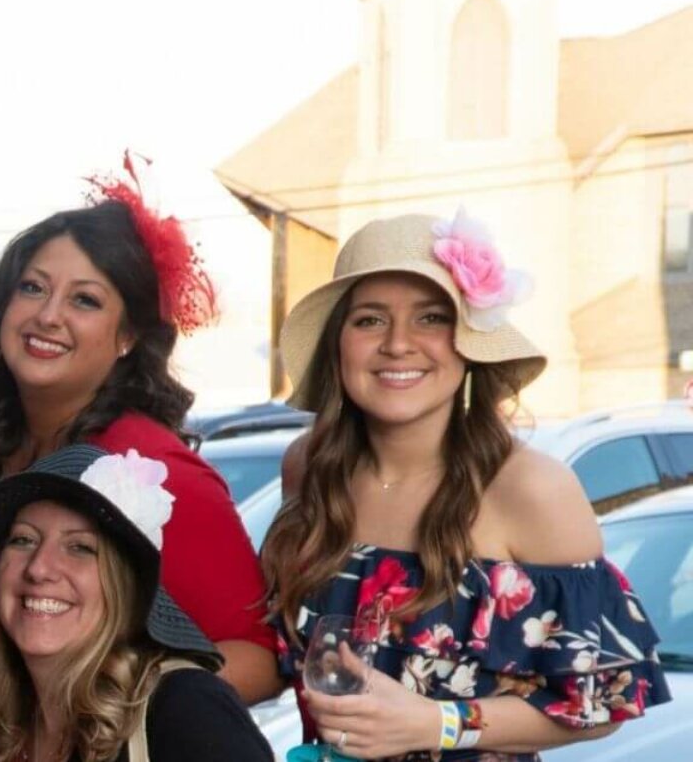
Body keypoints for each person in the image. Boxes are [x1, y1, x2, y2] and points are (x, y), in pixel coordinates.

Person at [260, 211, 672, 761]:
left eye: (431, 318)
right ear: (338, 344)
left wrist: (437, 723)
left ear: (470, 343)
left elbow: (599, 703)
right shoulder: (309, 469)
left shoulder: (531, 490)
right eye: (369, 321)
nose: (398, 344)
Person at [0, 156, 280, 703]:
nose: (48, 315)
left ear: (127, 335)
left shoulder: (153, 469)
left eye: (85, 300)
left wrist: (109, 703)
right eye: (32, 288)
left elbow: (257, 657)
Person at [0, 444, 273, 762]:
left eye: (80, 547)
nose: (40, 568)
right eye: (23, 540)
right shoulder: (17, 723)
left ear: (121, 585)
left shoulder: (184, 708)